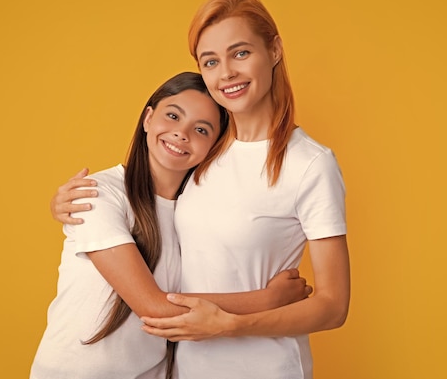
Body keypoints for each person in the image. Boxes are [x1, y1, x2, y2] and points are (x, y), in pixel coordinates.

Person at [51, 0, 350, 379]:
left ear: (274, 50)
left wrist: (232, 325)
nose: (226, 72)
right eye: (211, 61)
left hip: (264, 367)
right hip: (186, 368)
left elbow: (332, 306)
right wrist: (63, 206)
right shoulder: (203, 152)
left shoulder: (310, 164)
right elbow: (140, 206)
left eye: (240, 53)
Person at [31, 71, 312, 379]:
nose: (181, 133)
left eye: (202, 130)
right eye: (173, 115)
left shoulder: (197, 214)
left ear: (214, 147)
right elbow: (154, 309)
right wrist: (267, 301)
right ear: (148, 118)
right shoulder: (98, 194)